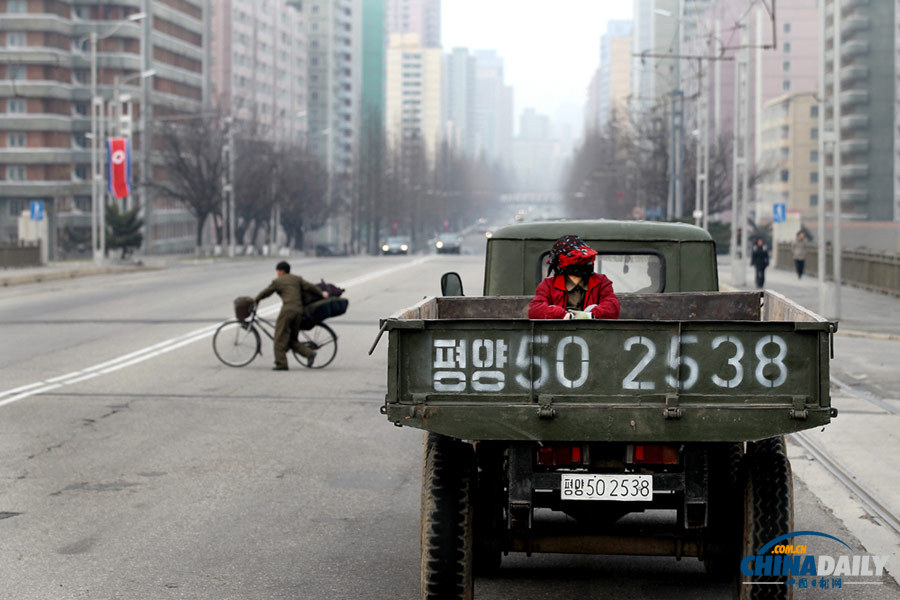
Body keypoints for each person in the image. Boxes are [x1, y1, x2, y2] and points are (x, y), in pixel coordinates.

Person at [254, 261, 328, 371]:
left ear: (281, 271)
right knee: (292, 339)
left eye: (278, 271)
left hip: (288, 311)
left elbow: (266, 292)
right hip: (299, 311)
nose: (277, 274)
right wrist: (322, 293)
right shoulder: (296, 278)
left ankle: (281, 363)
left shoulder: (278, 281)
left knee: (279, 337)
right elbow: (310, 286)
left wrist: (255, 299)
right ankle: (309, 353)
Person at [528, 235, 620, 319]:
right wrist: (564, 315)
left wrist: (591, 315)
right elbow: (535, 310)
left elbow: (612, 306)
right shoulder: (548, 285)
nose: (584, 263)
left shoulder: (601, 282)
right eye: (578, 259)